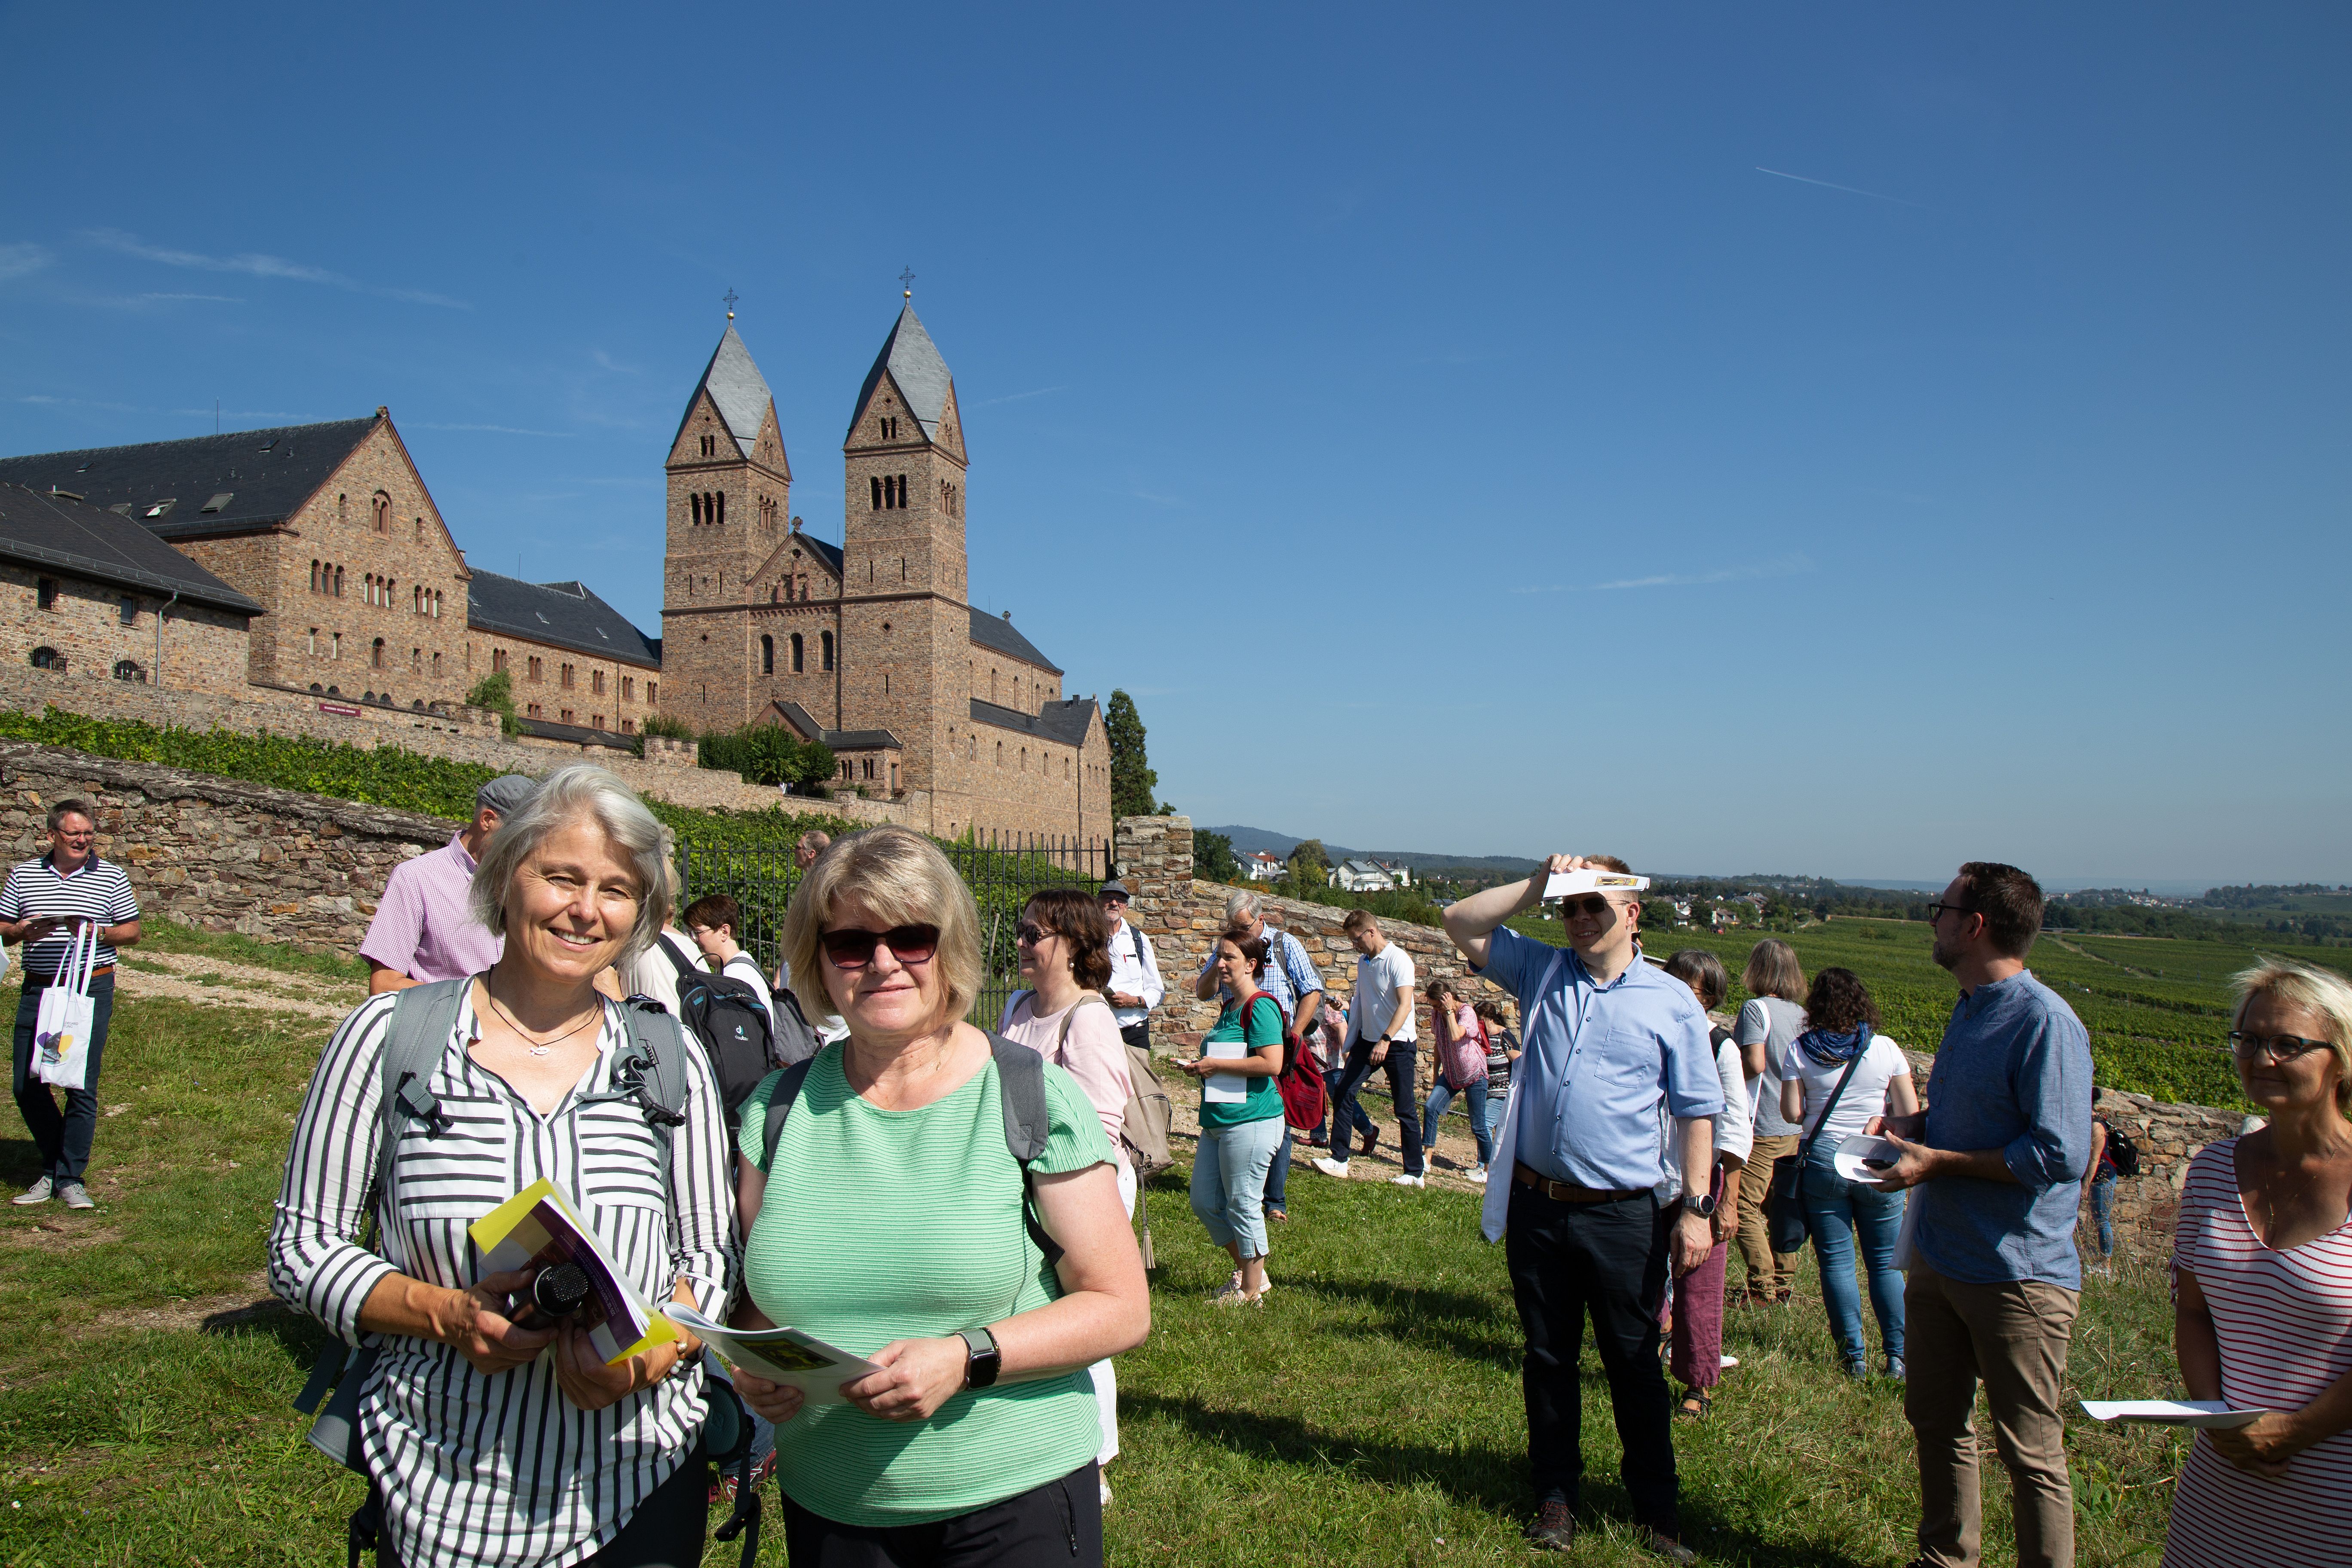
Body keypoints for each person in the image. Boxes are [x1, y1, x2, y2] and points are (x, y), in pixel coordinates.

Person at [270, 764, 738, 1568]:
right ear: (504, 878)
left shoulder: (669, 1058)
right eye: (560, 876)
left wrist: (655, 1351)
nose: (585, 909)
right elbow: (302, 1247)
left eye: (616, 889)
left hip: (639, 1470)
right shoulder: (391, 1037)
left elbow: (707, 1254)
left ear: (642, 914)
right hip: (439, 1473)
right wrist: (442, 1312)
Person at [726, 825, 1148, 1565]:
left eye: (911, 938)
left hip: (1009, 1500)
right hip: (830, 1501)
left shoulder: (1030, 1094)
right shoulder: (777, 1108)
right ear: (817, 960)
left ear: (947, 947)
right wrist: (758, 1367)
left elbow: (1120, 1306)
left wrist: (965, 1356)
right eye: (851, 944)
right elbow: (764, 1303)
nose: (883, 962)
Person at [1442, 854, 1722, 1562]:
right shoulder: (1542, 970)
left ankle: (1657, 1513)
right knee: (1547, 1357)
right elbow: (1459, 920)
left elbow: (1696, 1111)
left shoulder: (1669, 1000)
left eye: (1591, 904)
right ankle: (1556, 1497)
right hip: (1540, 1205)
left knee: (1632, 1362)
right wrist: (1542, 879)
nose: (1576, 918)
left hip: (1623, 1213)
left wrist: (1695, 1206)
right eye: (1567, 907)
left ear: (1631, 912)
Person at [1867, 862, 2092, 1568]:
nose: (1931, 918)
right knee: (1935, 1420)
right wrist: (1913, 1128)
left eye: (1942, 907)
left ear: (1975, 925)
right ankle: (1946, 1557)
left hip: (2015, 1270)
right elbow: (1981, 1121)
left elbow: (2057, 1151)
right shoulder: (1969, 1008)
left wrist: (1937, 1163)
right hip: (1941, 1255)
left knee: (2029, 1447)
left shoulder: (2044, 1021)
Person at [2161, 958, 2352, 1568]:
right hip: (2222, 1479)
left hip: (2332, 1490)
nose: (2260, 1057)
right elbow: (2193, 1314)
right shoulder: (2214, 1169)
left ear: (2341, 1057)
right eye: (2248, 1038)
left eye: (2287, 1043)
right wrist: (2216, 1418)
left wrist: (2295, 1433)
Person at [999, 887, 1136, 1501]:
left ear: (1075, 945)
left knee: (1085, 1318)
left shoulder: (1091, 1019)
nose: (1023, 943)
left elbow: (1102, 1126)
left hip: (1084, 1188)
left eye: (1035, 935)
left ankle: (1097, 1459)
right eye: (1023, 932)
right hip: (1020, 1183)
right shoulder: (1017, 1007)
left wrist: (1062, 1195)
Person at [2, 800, 141, 1210]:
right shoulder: (25, 875)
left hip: (89, 989)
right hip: (40, 989)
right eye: (73, 834)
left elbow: (132, 932)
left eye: (87, 834)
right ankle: (54, 1165)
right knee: (27, 1083)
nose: (82, 840)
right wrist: (22, 930)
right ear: (52, 836)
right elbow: (4, 929)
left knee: (80, 1083)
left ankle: (69, 1178)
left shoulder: (111, 875)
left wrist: (97, 932)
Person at [1778, 967, 1916, 1381]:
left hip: (1823, 1158)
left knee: (1836, 1264)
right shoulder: (1886, 1049)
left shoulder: (1801, 1050)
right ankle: (1898, 1357)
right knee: (1885, 1263)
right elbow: (1908, 1114)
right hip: (1876, 1159)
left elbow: (1792, 1114)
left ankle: (1852, 1359)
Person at [1191, 889, 1323, 1220]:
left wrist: (1294, 1035)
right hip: (1237, 1039)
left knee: (1277, 1114)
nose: (1240, 933)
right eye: (1233, 926)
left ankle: (1274, 1199)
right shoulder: (1227, 950)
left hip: (1276, 1041)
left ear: (1260, 920)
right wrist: (1216, 961)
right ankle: (1239, 1183)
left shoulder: (1284, 944)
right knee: (1244, 1107)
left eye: (1245, 927)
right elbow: (1203, 992)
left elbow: (1312, 989)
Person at [1660, 949, 1751, 1421]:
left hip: (1702, 1185)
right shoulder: (1653, 1032)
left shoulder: (1722, 1048)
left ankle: (1699, 1383)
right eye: (1671, 981)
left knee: (1699, 1285)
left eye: (1689, 988)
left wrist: (1727, 1201)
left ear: (1710, 999)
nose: (1677, 993)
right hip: (1651, 1176)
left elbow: (1735, 1130)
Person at [1176, 931, 1289, 1303]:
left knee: (1243, 1202)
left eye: (1229, 958)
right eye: (1218, 956)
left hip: (1252, 1121)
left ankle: (1251, 1292)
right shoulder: (1229, 1008)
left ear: (1251, 965)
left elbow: (1272, 1063)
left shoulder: (1262, 1005)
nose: (1219, 964)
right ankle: (1250, 1272)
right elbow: (1229, 1063)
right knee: (1205, 1201)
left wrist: (1214, 1064)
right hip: (1218, 1121)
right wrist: (1201, 1068)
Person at [359, 774, 539, 994]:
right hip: (445, 1025)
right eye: (519, 836)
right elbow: (384, 985)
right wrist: (477, 1000)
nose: (528, 847)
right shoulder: (416, 877)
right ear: (487, 820)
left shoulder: (531, 880)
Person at [1312, 910, 1427, 1188]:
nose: (1355, 946)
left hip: (1397, 1043)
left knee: (1405, 1108)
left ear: (1371, 932)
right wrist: (1346, 1008)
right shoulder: (1364, 963)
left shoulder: (1399, 960)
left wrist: (1386, 1039)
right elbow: (1366, 1003)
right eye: (1352, 941)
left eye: (1356, 939)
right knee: (1343, 1092)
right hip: (1368, 1040)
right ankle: (1339, 1159)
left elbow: (1405, 1005)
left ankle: (1414, 1173)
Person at [1731, 938, 1808, 1307]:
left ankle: (1761, 1287)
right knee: (1778, 1206)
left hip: (1760, 1123)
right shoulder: (1802, 1015)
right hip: (1792, 1124)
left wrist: (1725, 1078)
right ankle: (1784, 1280)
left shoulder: (1755, 1010)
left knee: (1744, 1206)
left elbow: (1755, 1064)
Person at [1422, 977, 1493, 1182]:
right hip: (1452, 1075)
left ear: (1447, 999)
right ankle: (1427, 1158)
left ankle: (1488, 1170)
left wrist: (1450, 1011)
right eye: (1433, 1006)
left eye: (1437, 1005)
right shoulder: (1437, 1015)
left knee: (1478, 1125)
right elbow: (1439, 1043)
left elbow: (1455, 1035)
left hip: (1474, 1074)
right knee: (1431, 1107)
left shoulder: (1466, 1012)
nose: (1435, 1009)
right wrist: (1436, 1073)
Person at [683, 891, 776, 1023]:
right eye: (690, 933)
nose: (693, 940)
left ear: (724, 932)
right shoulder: (744, 967)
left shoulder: (735, 977)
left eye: (697, 933)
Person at [1097, 879, 1164, 1052]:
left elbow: (1157, 991)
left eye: (1120, 900)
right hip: (1097, 1033)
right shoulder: (1089, 940)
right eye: (1109, 898)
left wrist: (1133, 1001)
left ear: (1126, 907)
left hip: (1135, 1034)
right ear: (1098, 903)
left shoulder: (1139, 940)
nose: (1114, 903)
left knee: (1138, 1080)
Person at [1304, 998, 1370, 1150]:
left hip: (1331, 1061)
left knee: (1340, 1097)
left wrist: (1349, 1063)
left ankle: (1369, 1131)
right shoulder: (1299, 1003)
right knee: (1314, 1094)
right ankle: (1318, 1136)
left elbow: (1342, 1030)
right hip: (1313, 1060)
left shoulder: (1327, 1005)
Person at [2083, 1103, 2119, 1277]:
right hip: (2098, 1178)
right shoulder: (2089, 1123)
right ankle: (2101, 1261)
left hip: (2103, 1179)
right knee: (2099, 1220)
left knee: (2102, 1220)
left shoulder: (2097, 1126)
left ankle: (2106, 1265)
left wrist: (2086, 1185)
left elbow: (2095, 1158)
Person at [1477, 999, 1521, 1100]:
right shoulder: (1478, 1037)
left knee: (1487, 1117)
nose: (1478, 1024)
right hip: (1483, 1094)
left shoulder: (1504, 1035)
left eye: (1481, 1020)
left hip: (1502, 1094)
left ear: (1491, 1020)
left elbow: (1518, 1063)